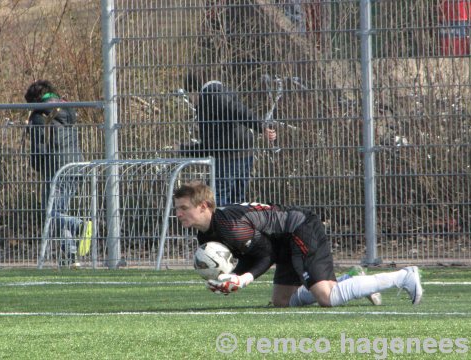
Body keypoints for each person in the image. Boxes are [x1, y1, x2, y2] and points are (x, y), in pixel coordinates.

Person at [173, 182, 423, 307]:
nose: (179, 214)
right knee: (283, 302)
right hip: (283, 241)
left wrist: (242, 279)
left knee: (327, 296)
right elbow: (254, 251)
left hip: (299, 228)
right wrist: (229, 279)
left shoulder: (230, 226)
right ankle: (351, 280)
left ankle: (403, 276)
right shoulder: (206, 234)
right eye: (177, 209)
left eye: (184, 208)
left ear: (204, 206)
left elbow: (265, 255)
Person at [175, 70, 277, 206]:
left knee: (219, 200)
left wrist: (260, 127)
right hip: (243, 152)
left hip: (228, 157)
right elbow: (210, 145)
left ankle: (221, 226)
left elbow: (237, 111)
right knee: (236, 202)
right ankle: (233, 226)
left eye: (189, 96)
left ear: (194, 90)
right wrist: (184, 150)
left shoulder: (211, 95)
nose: (191, 102)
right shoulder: (219, 94)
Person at [25, 79, 86, 267]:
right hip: (77, 166)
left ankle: (80, 226)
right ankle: (70, 255)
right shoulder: (66, 108)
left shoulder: (38, 115)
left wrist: (37, 166)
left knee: (50, 211)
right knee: (59, 211)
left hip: (56, 168)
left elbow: (39, 148)